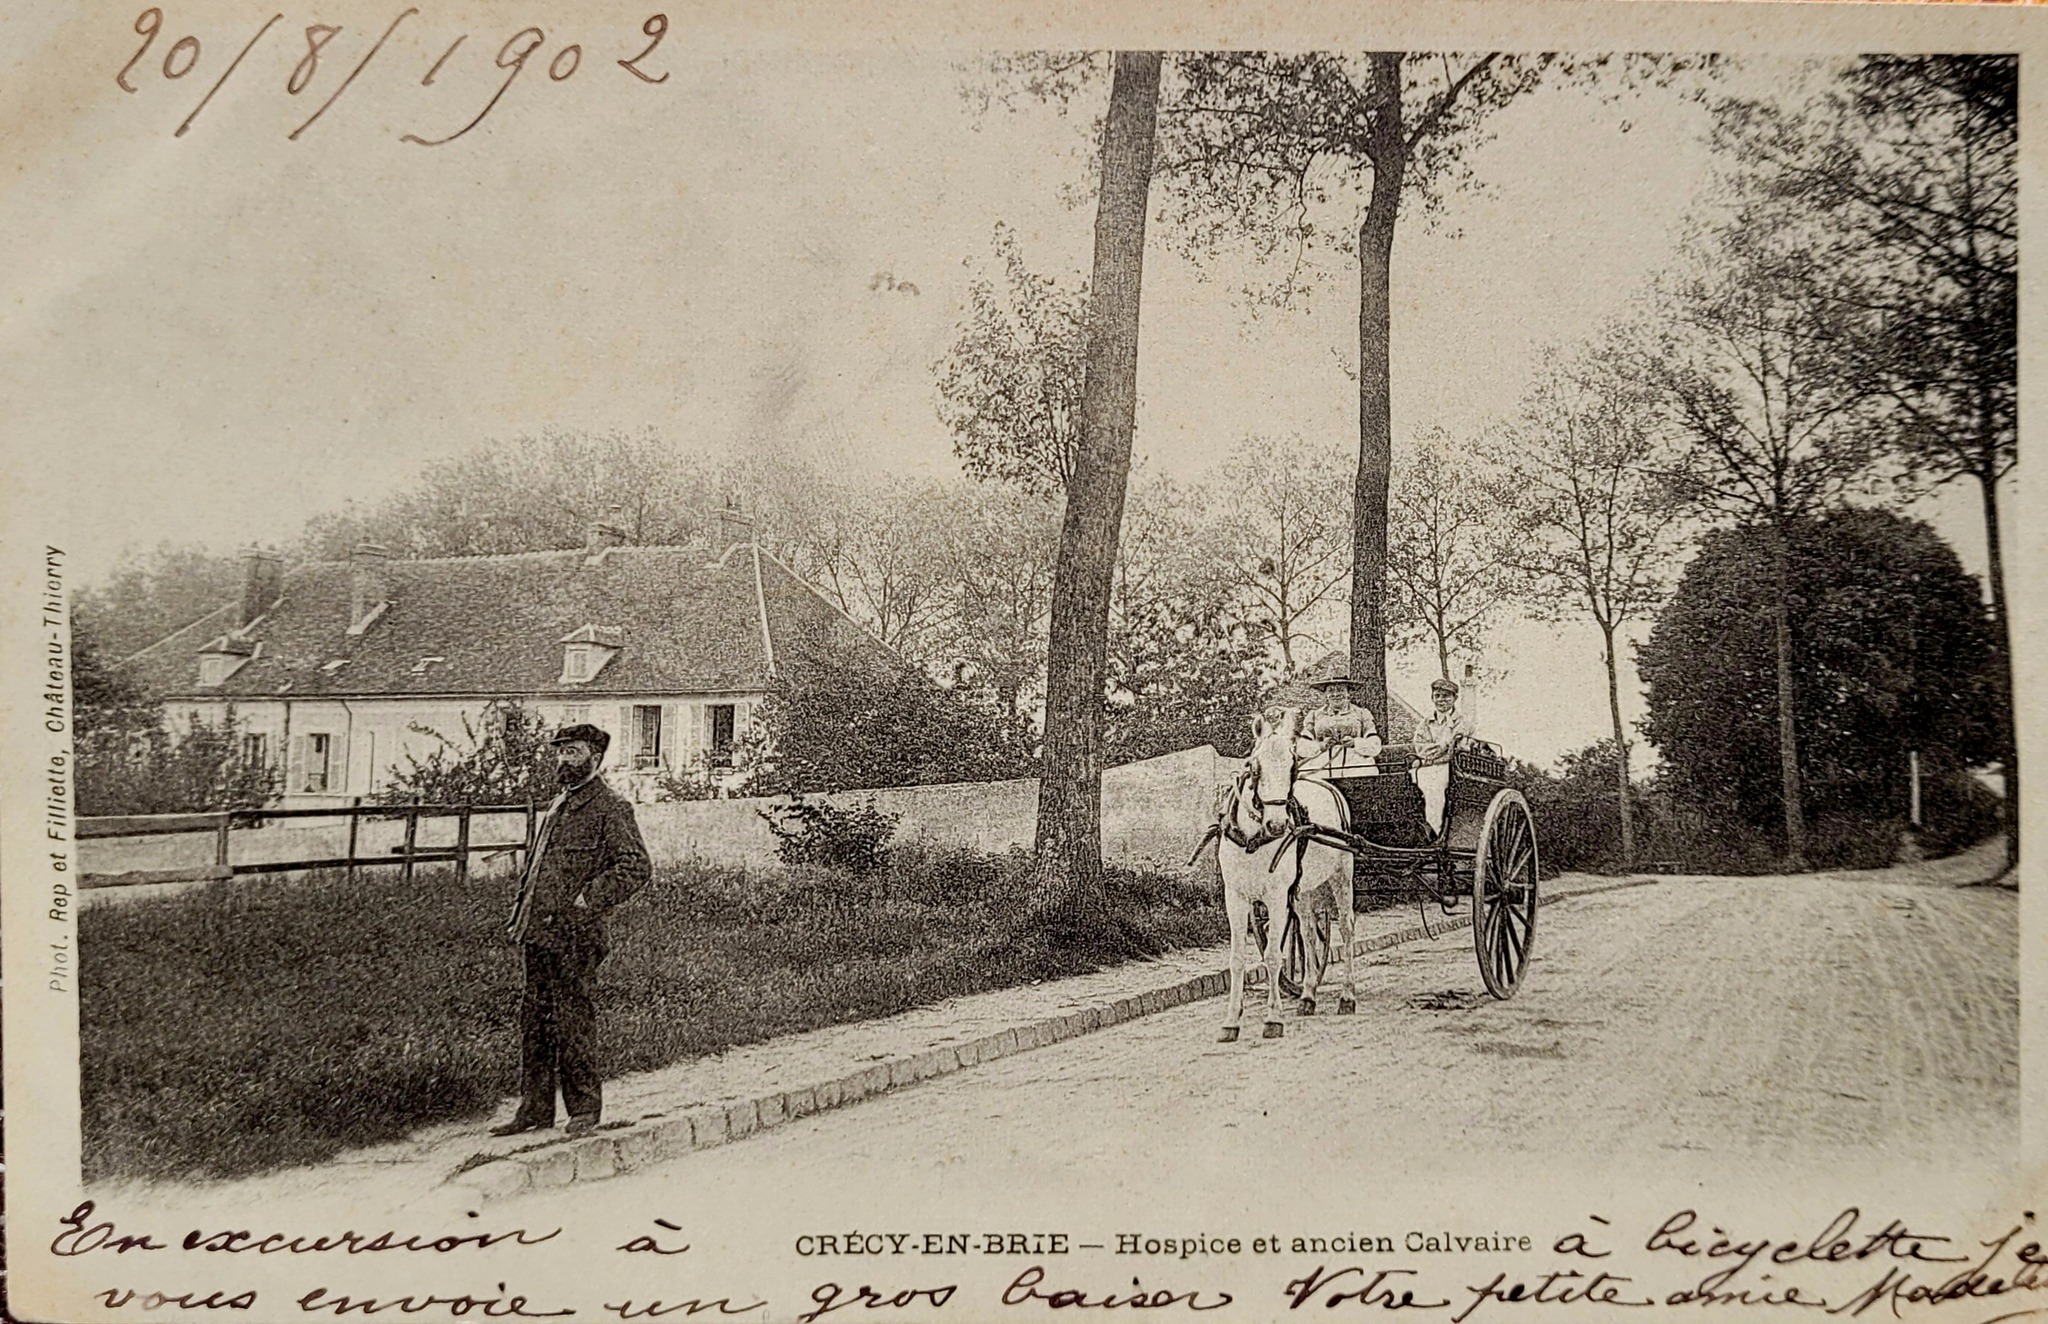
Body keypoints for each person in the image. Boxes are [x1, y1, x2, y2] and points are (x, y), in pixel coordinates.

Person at [493, 723, 651, 1138]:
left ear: (595, 758)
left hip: (576, 935)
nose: (563, 760)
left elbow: (636, 866)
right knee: (535, 1021)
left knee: (572, 1020)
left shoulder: (610, 808)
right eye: (560, 752)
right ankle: (535, 1109)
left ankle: (583, 1109)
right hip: (540, 932)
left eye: (573, 752)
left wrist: (589, 900)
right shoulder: (558, 806)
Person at [1412, 677, 1474, 837]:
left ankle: (1434, 833)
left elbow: (1456, 748)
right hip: (1426, 766)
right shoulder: (1425, 723)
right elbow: (1420, 747)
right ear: (1432, 698)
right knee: (1407, 784)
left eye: (1446, 696)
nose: (1441, 700)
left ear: (1455, 698)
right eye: (1437, 696)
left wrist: (1440, 749)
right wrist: (1442, 746)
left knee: (1434, 789)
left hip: (1450, 767)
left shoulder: (1462, 722)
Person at [1300, 672, 1382, 772]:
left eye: (1340, 690)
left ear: (1348, 693)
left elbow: (1374, 743)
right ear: (1326, 695)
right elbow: (1302, 744)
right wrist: (1321, 745)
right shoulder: (1315, 715)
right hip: (1322, 764)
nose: (1335, 694)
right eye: (1330, 691)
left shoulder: (1361, 714)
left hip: (1356, 763)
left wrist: (1355, 742)